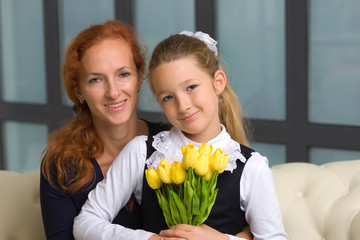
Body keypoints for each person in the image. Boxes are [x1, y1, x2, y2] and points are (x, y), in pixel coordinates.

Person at [73, 30, 287, 240]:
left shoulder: (252, 167)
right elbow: (86, 222)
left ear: (218, 82)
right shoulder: (141, 152)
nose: (183, 106)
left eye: (191, 87)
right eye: (168, 97)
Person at [40, 20, 169, 240]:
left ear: (138, 77)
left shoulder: (173, 142)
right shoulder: (61, 166)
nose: (113, 91)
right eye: (96, 79)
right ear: (79, 90)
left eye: (123, 74)